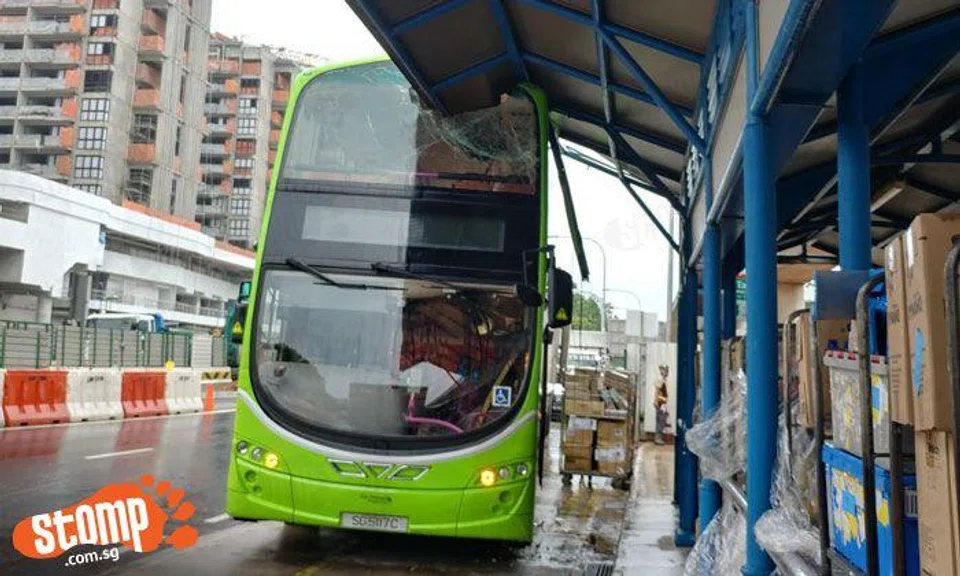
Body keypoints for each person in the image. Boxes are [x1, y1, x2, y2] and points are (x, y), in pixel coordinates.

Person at [653, 364, 670, 445]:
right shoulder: (660, 380)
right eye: (665, 370)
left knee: (662, 420)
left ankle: (658, 437)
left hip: (662, 403)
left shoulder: (663, 380)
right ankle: (658, 438)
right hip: (660, 403)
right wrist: (656, 401)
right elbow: (657, 391)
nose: (666, 372)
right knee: (660, 421)